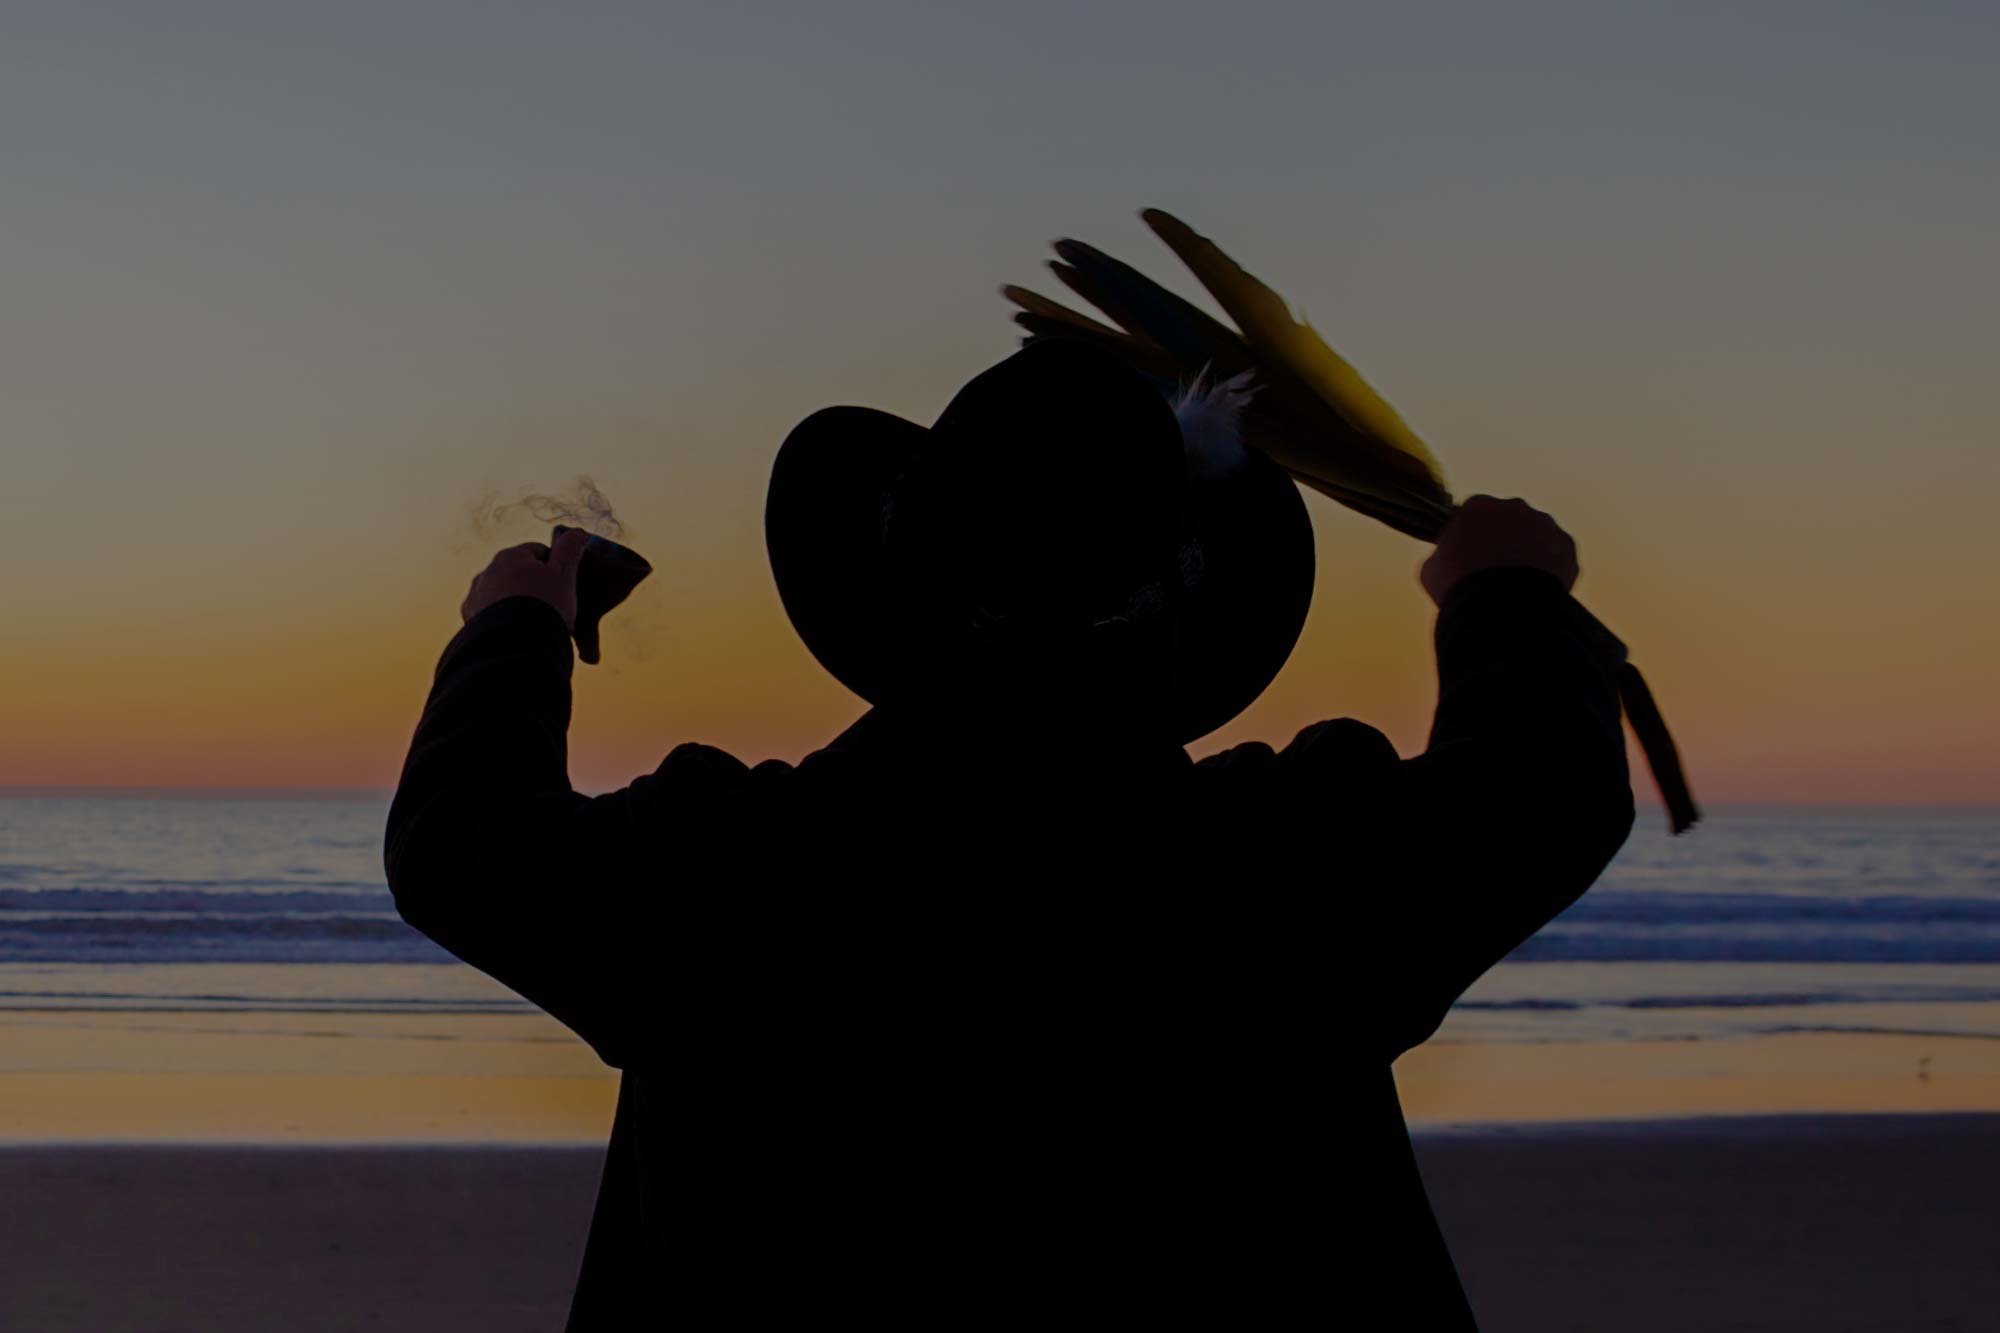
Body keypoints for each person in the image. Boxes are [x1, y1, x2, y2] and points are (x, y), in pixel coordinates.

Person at [385, 339, 1634, 1329]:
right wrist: (1503, 592)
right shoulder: (1288, 867)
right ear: (1181, 613)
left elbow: (460, 842)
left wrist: (516, 622)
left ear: (890, 583)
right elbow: (1538, 791)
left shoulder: (731, 874)